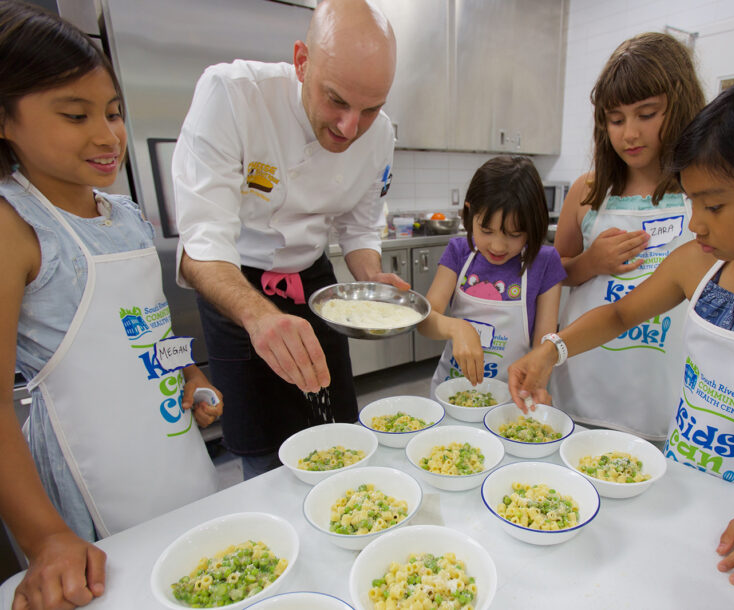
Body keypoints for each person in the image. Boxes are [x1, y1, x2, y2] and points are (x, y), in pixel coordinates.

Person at [509, 70, 734, 597]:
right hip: (677, 488)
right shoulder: (696, 264)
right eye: (693, 202)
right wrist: (552, 350)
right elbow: (619, 316)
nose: (696, 223)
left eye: (714, 206)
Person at [0, 2, 222, 606]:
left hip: (171, 446)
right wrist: (45, 537)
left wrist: (189, 371)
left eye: (114, 112)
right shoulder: (13, 226)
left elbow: (149, 323)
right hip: (90, 469)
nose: (107, 135)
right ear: (5, 120)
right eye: (76, 115)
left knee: (202, 567)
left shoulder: (122, 214)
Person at [172, 0, 407, 478]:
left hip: (314, 278)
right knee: (261, 440)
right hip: (236, 281)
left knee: (338, 420)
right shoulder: (233, 95)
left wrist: (371, 278)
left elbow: (358, 228)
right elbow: (202, 244)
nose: (349, 127)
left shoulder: (379, 135)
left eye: (370, 109)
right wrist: (258, 315)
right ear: (302, 61)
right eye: (337, 100)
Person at [549, 32, 705, 441]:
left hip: (664, 396)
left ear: (681, 105)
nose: (629, 134)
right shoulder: (588, 192)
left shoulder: (703, 193)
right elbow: (552, 274)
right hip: (584, 387)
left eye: (647, 114)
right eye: (616, 120)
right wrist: (588, 264)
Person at [418, 156, 565, 398]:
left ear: (533, 224)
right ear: (469, 213)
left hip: (511, 397)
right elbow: (424, 321)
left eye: (514, 234)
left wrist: (537, 385)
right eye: (486, 231)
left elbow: (543, 346)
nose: (498, 246)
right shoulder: (458, 252)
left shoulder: (545, 263)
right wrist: (456, 328)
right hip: (452, 393)